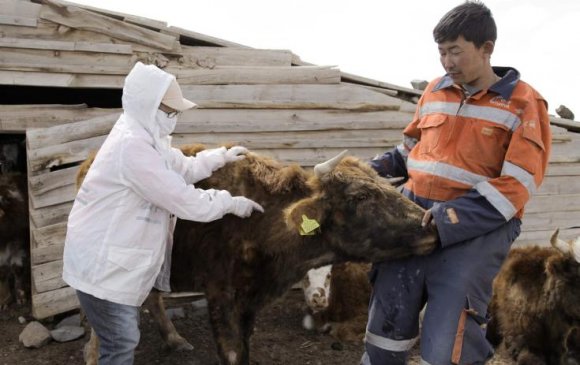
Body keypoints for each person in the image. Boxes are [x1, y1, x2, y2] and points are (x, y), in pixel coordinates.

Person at [363, 2, 552, 364]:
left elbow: (518, 184)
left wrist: (448, 218)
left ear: (487, 48)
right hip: (414, 216)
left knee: (448, 344)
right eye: (441, 52)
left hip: (477, 229)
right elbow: (410, 151)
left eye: (456, 51)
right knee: (385, 327)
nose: (447, 62)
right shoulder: (435, 90)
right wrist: (366, 173)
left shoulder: (525, 103)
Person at [62, 62, 264, 365]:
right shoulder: (133, 147)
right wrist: (230, 203)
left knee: (122, 339)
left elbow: (184, 166)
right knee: (121, 342)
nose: (175, 118)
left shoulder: (147, 136)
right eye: (170, 111)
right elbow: (183, 200)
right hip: (102, 268)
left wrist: (219, 156)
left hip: (111, 264)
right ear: (148, 106)